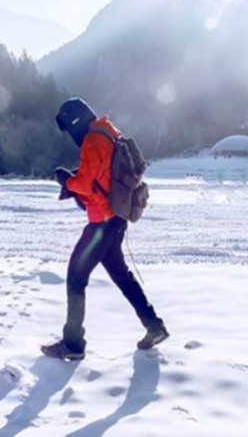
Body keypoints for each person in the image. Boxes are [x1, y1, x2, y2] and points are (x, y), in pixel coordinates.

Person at [41, 97, 169, 361]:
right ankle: (154, 326)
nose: (70, 135)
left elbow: (87, 185)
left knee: (76, 277)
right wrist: (78, 179)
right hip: (116, 219)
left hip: (102, 223)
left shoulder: (92, 140)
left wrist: (67, 180)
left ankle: (73, 344)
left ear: (74, 122)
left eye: (68, 128)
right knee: (121, 275)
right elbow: (101, 174)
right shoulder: (110, 132)